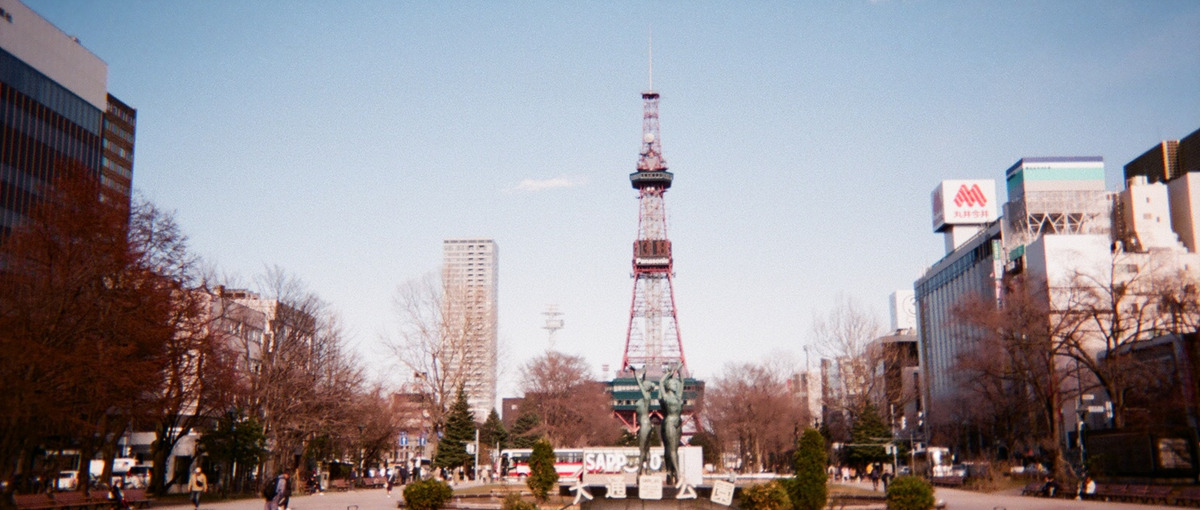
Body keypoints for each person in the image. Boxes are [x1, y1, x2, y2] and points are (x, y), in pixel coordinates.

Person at [633, 366, 657, 476]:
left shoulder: (647, 397)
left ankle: (639, 471)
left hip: (644, 425)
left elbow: (639, 384)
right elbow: (641, 382)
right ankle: (648, 469)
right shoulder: (646, 398)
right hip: (646, 425)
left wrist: (635, 373)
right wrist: (643, 373)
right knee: (647, 449)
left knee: (642, 449)